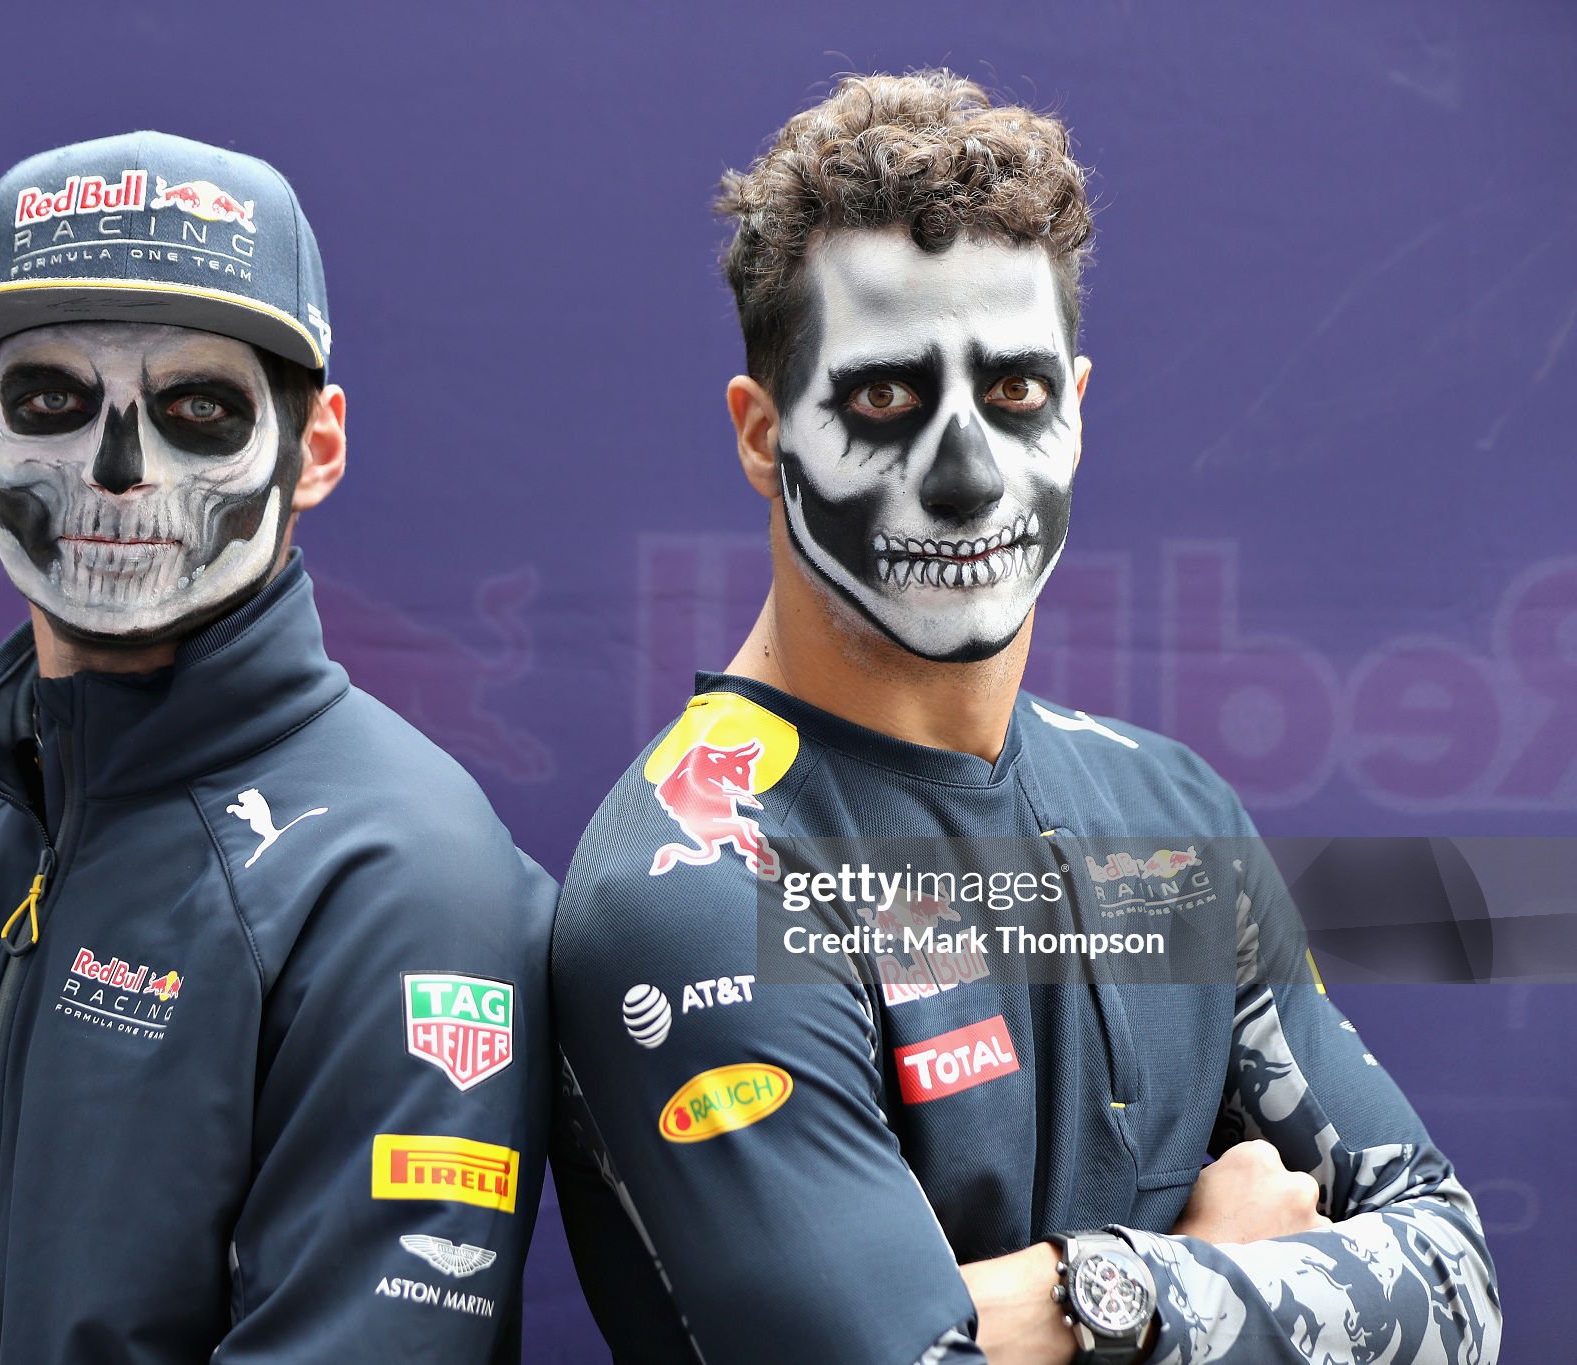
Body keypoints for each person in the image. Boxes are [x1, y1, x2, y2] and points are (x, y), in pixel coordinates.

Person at [549, 74, 1500, 1364]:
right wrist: (1189, 1273)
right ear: (762, 436)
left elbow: (1452, 1279)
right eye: (884, 398)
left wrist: (1063, 1307)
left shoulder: (1165, 816)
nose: (963, 477)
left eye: (1013, 395)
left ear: (1077, 409)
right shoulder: (700, 876)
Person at [0, 131, 554, 1364]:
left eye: (199, 411)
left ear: (314, 448)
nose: (119, 475)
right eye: (53, 402)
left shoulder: (407, 885)